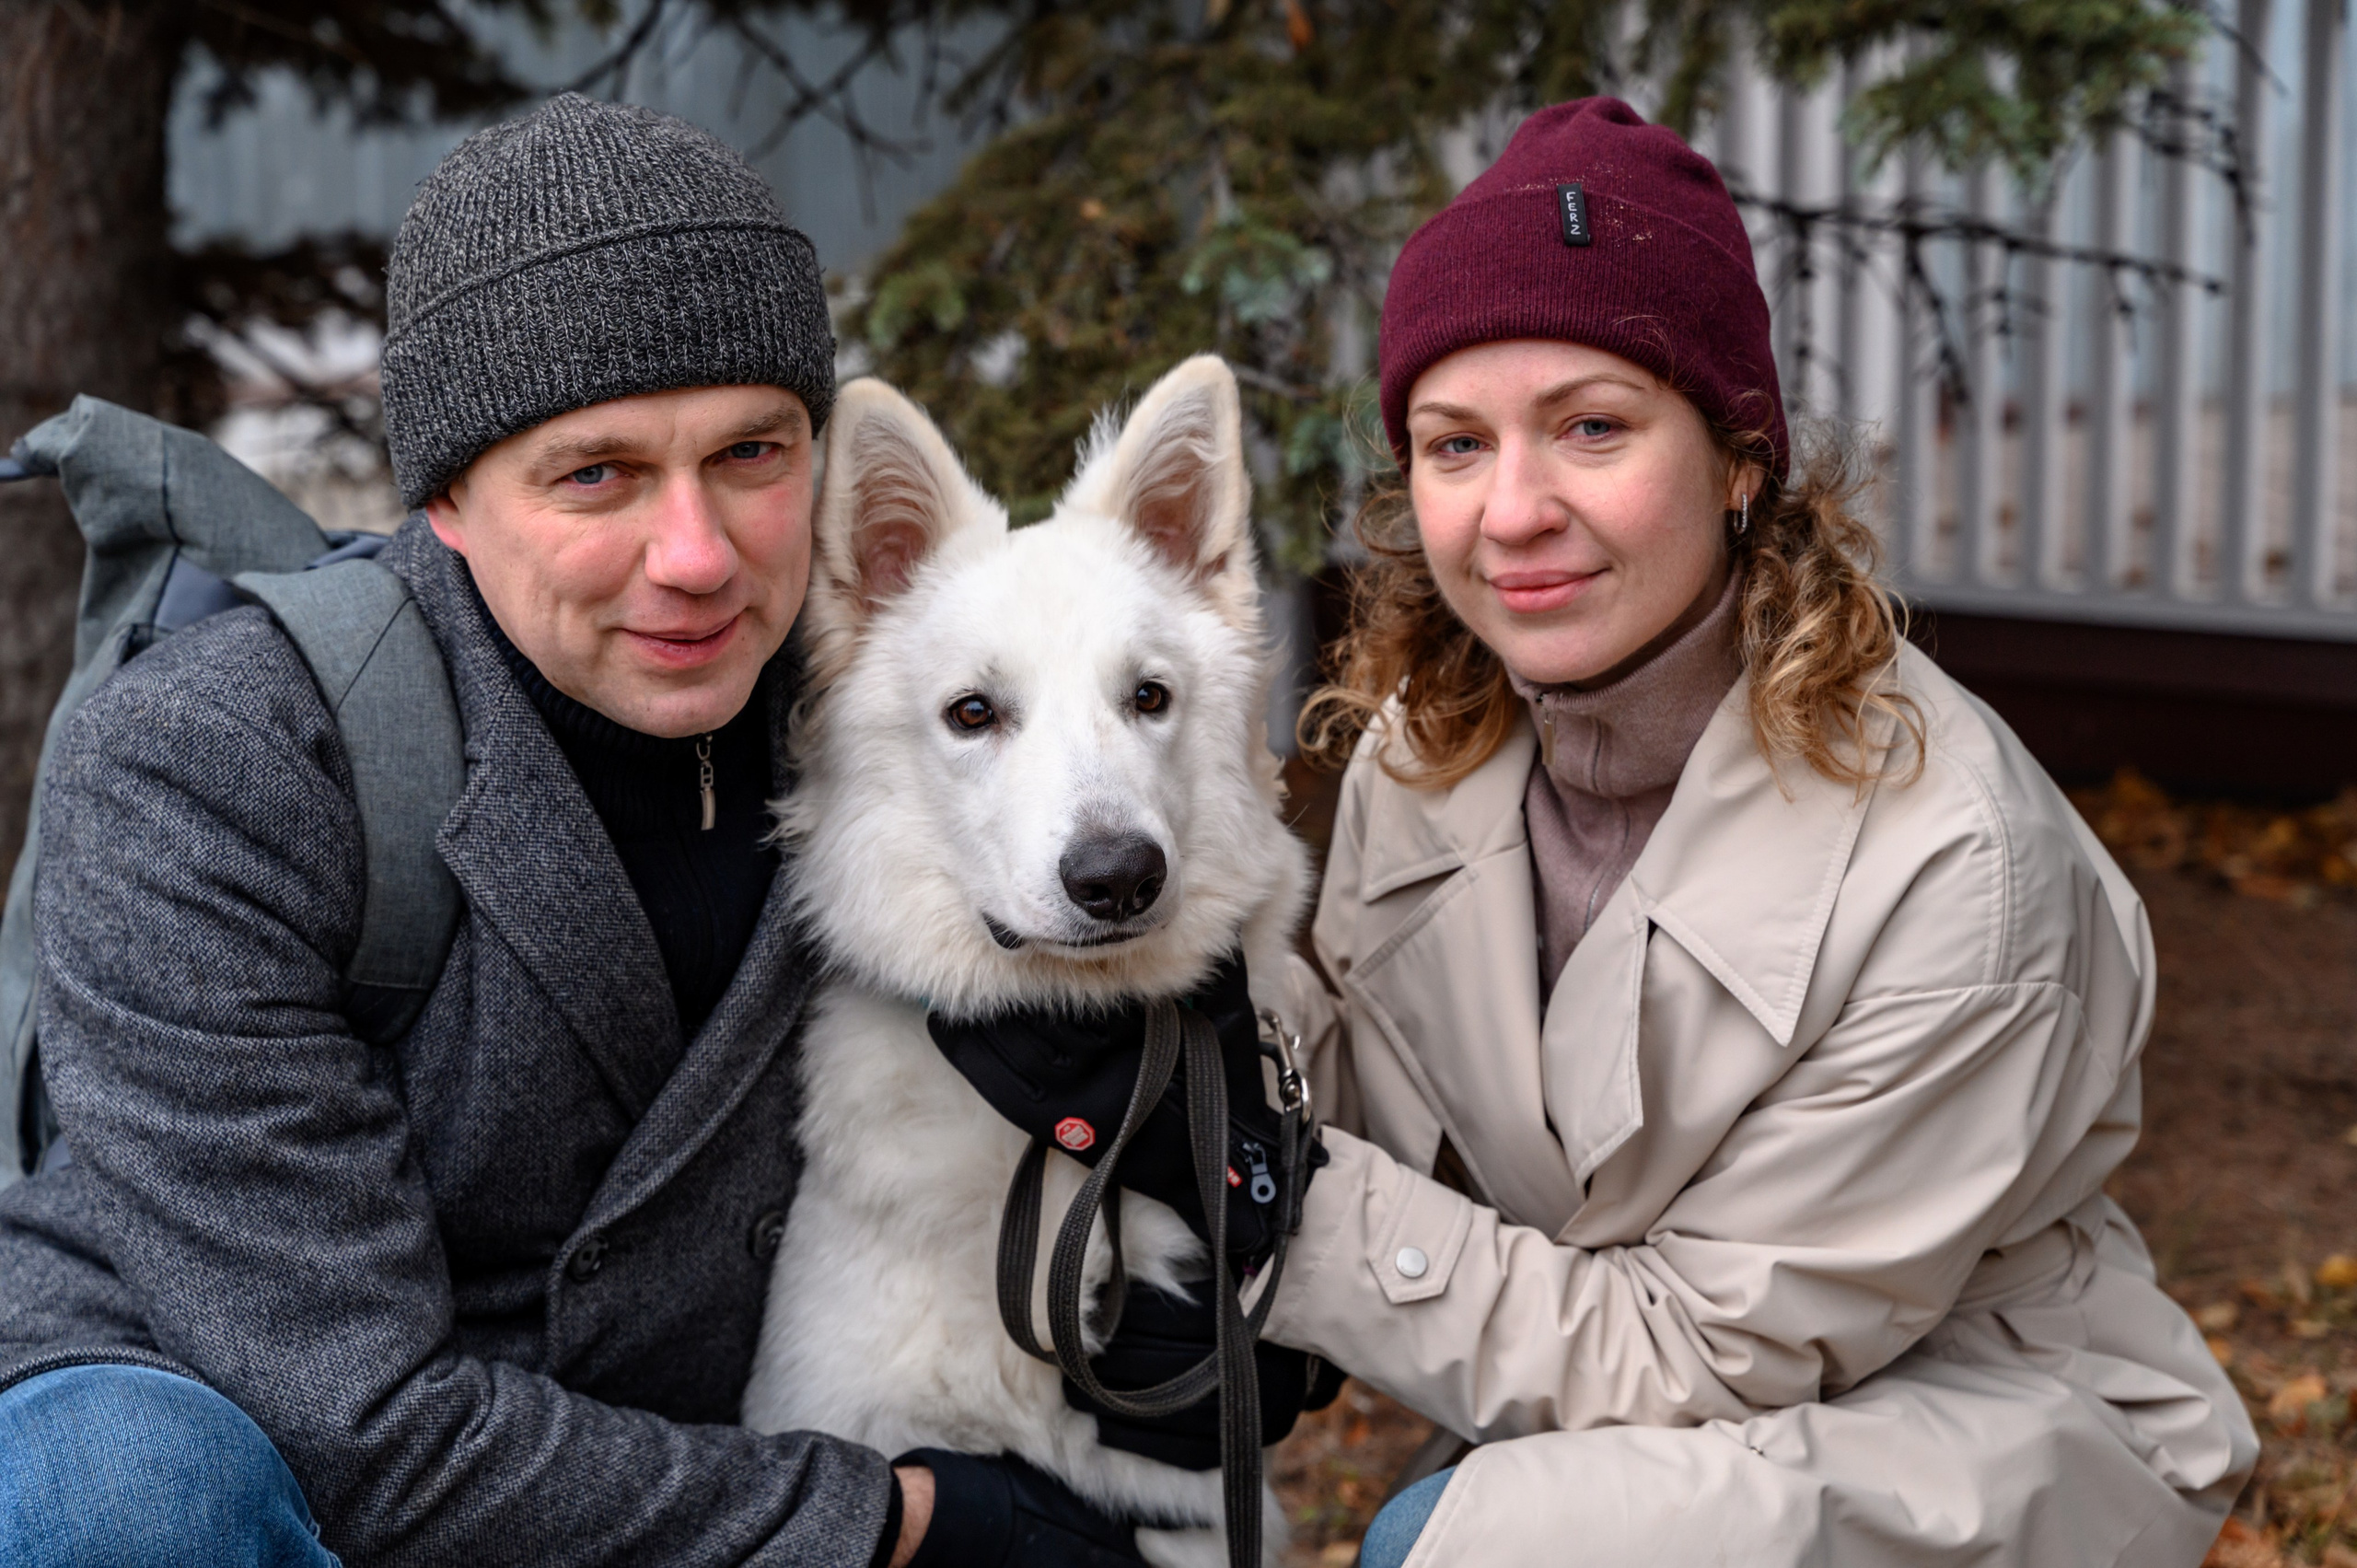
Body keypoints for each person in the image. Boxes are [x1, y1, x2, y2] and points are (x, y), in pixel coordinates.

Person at [940, 98, 2259, 1566]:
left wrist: (1265, 1199)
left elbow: (1701, 1349)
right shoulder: (1429, 758)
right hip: (1653, 1418)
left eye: (1591, 427)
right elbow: (1376, 1110)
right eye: (1455, 445)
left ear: (1740, 457)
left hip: (1970, 1428)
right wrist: (1178, 1037)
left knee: (1464, 1553)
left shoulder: (1955, 865)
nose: (1513, 512)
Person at [0, 94, 1247, 1567]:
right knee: (123, 1502)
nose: (698, 558)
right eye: (598, 474)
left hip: (665, 1445)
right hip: (246, 1443)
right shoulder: (213, 761)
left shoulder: (907, 706)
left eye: (751, 455)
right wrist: (897, 1522)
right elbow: (360, 1421)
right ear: (451, 497)